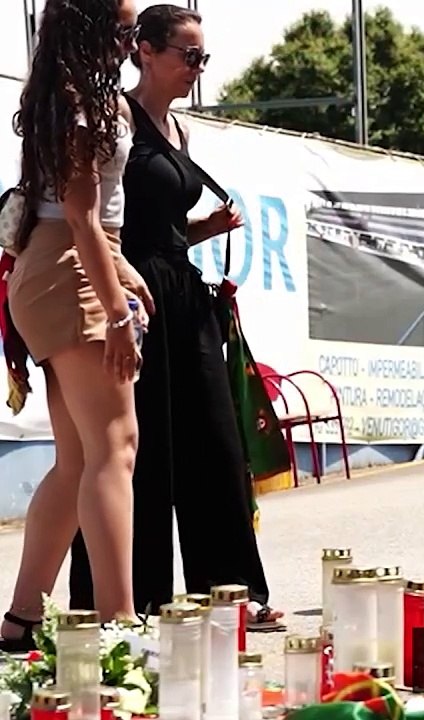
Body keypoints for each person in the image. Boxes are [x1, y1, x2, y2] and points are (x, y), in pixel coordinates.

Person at [63, 4, 283, 630]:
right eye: (188, 55)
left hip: (181, 290)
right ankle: (129, 599)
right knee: (137, 451)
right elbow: (102, 218)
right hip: (130, 291)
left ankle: (233, 593)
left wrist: (203, 230)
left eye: (203, 58)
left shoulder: (180, 129)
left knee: (213, 441)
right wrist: (115, 301)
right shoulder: (118, 119)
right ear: (146, 52)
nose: (197, 68)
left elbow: (161, 225)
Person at [1, 0, 152, 652]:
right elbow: (83, 217)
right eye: (126, 29)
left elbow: (88, 218)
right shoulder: (85, 101)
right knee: (115, 450)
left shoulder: (63, 95)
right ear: (96, 30)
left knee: (79, 459)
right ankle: (118, 627)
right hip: (72, 268)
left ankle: (22, 620)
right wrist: (118, 311)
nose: (133, 39)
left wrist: (124, 274)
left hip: (56, 267)